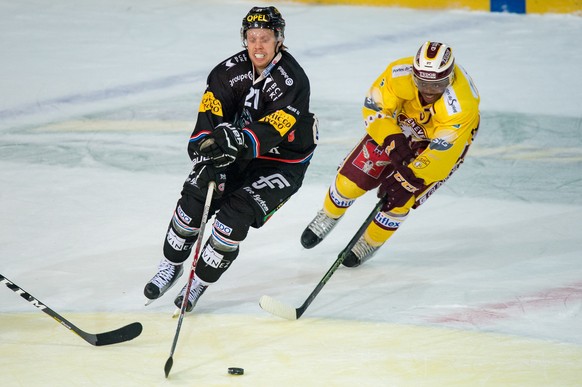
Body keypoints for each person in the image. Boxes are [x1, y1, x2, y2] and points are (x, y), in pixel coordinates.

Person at [144, 6, 318, 312]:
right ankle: (170, 265)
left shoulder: (293, 81)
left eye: (265, 37)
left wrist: (236, 140)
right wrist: (206, 146)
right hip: (237, 153)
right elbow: (209, 115)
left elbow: (275, 127)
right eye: (252, 38)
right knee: (195, 196)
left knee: (233, 217)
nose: (258, 45)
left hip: (282, 162)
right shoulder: (228, 72)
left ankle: (197, 283)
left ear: (279, 39)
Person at [301, 41, 480, 267]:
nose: (428, 92)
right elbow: (374, 107)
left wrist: (409, 178)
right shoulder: (399, 73)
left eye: (437, 85)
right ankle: (329, 213)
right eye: (422, 82)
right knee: (351, 181)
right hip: (401, 124)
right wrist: (391, 137)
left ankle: (371, 241)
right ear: (414, 74)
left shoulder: (462, 106)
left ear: (450, 79)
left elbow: (443, 153)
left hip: (440, 142)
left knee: (399, 198)